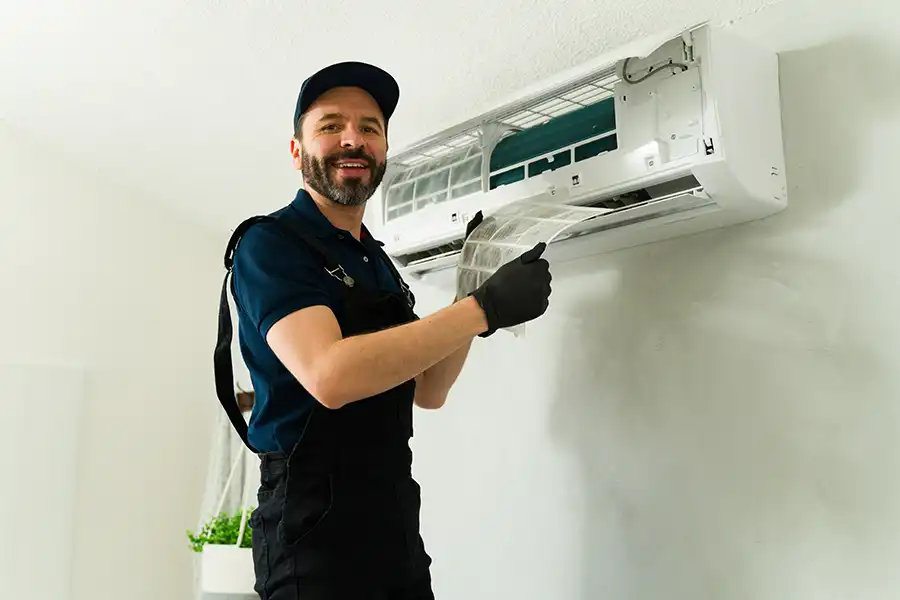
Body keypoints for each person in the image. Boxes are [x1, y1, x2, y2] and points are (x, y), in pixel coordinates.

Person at [212, 61, 553, 600]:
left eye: (370, 128)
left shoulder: (376, 261)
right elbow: (330, 376)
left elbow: (430, 389)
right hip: (312, 546)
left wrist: (475, 283)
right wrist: (482, 310)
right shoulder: (271, 245)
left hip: (395, 534)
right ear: (298, 151)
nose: (354, 138)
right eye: (331, 126)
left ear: (384, 151)